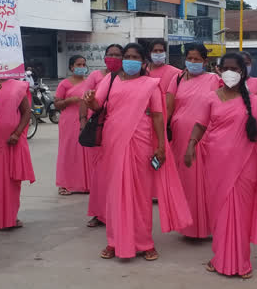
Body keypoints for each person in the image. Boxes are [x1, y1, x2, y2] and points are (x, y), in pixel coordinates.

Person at [84, 43, 191, 261]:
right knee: (115, 193)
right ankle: (114, 241)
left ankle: (145, 243)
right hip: (113, 141)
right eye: (127, 56)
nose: (129, 60)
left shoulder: (151, 84)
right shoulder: (110, 80)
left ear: (143, 62)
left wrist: (161, 146)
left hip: (141, 141)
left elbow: (158, 116)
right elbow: (97, 106)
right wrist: (90, 101)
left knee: (141, 195)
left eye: (134, 56)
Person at [184, 52, 257, 278]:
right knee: (219, 214)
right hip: (215, 165)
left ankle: (240, 262)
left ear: (242, 72)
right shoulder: (210, 98)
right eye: (225, 68)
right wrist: (191, 145)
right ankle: (220, 256)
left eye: (235, 69)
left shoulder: (255, 101)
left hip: (245, 167)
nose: (230, 73)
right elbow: (200, 125)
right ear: (218, 70)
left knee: (239, 213)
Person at [165, 43, 220, 239]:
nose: (193, 62)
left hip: (205, 137)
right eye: (190, 58)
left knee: (206, 182)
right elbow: (169, 107)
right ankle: (188, 226)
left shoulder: (214, 79)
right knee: (186, 182)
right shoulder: (177, 78)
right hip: (180, 138)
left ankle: (208, 226)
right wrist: (162, 130)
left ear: (205, 61)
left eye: (197, 59)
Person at [0, 77, 35, 230]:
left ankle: (9, 217)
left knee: (10, 182)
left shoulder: (18, 86)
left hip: (10, 142)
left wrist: (17, 133)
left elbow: (26, 112)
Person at [81, 44, 123, 227]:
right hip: (99, 130)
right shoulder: (97, 76)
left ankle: (117, 212)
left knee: (119, 175)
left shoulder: (131, 78)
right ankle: (98, 214)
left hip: (121, 131)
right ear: (104, 56)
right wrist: (82, 121)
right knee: (99, 175)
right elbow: (86, 99)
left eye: (117, 55)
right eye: (110, 54)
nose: (113, 57)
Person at [54, 55, 92, 196]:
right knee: (69, 150)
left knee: (86, 151)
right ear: (71, 67)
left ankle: (86, 184)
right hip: (69, 121)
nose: (81, 67)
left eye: (83, 64)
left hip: (85, 119)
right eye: (78, 65)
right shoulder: (64, 84)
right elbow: (56, 104)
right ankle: (65, 184)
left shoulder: (89, 83)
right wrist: (70, 100)